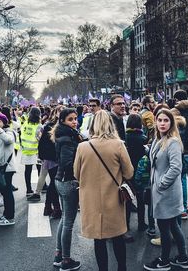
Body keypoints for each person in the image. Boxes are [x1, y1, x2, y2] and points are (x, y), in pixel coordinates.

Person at [74, 110, 134, 271]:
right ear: (111, 124)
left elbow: (76, 174)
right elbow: (129, 172)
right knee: (117, 237)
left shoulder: (82, 147)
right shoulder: (118, 145)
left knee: (98, 240)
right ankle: (122, 268)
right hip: (113, 198)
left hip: (91, 200)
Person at [144, 108, 188, 271]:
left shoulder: (173, 141)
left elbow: (176, 168)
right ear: (155, 121)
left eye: (166, 120)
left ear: (171, 123)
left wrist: (161, 183)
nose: (162, 123)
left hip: (167, 192)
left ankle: (164, 261)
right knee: (172, 226)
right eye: (160, 120)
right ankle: (183, 257)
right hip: (162, 190)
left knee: (165, 227)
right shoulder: (159, 138)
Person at [53, 108, 82, 271]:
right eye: (71, 119)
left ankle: (59, 255)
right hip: (68, 181)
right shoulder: (67, 138)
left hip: (61, 180)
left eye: (75, 118)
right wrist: (78, 173)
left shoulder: (65, 134)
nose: (74, 121)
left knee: (65, 219)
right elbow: (66, 162)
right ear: (63, 121)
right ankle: (66, 260)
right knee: (69, 222)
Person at [0, 113, 17, 226]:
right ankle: (6, 214)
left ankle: (10, 217)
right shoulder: (0, 132)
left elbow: (8, 140)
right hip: (2, 166)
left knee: (7, 193)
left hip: (7, 167)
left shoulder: (8, 132)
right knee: (4, 192)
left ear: (4, 122)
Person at [124, 113, 147, 237]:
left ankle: (126, 225)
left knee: (127, 200)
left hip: (128, 172)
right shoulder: (143, 139)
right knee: (141, 199)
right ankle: (141, 223)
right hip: (140, 171)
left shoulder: (124, 137)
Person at [37, 105, 62, 217]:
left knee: (53, 183)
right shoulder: (50, 126)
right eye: (59, 112)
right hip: (52, 159)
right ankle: (55, 208)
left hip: (55, 158)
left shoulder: (63, 126)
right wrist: (42, 157)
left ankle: (49, 207)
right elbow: (42, 143)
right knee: (54, 183)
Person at [20, 107, 42, 197]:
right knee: (40, 170)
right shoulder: (39, 126)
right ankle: (42, 187)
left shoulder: (25, 124)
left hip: (26, 150)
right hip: (37, 150)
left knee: (27, 171)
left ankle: (28, 189)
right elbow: (40, 138)